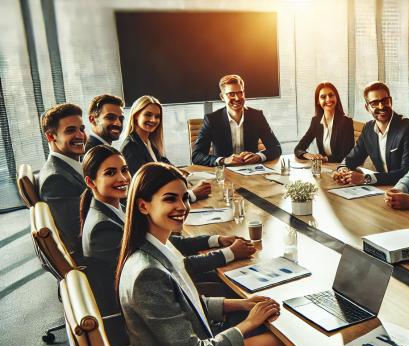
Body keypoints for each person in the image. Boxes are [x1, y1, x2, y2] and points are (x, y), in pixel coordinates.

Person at [116, 163, 334, 346]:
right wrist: (248, 324)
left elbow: (188, 307)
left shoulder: (159, 247)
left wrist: (240, 303)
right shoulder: (147, 273)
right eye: (170, 199)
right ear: (143, 206)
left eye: (184, 197)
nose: (182, 206)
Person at [80, 145, 254, 301]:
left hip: (158, 286)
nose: (123, 178)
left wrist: (216, 240)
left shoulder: (118, 206)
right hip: (149, 298)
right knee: (235, 286)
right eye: (110, 173)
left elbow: (167, 244)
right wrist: (229, 253)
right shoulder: (102, 228)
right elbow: (175, 266)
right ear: (90, 182)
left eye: (124, 170)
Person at [121, 95, 211, 202]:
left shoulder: (148, 142)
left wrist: (178, 172)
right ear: (136, 115)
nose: (153, 120)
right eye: (148, 115)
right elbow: (145, 190)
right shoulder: (131, 147)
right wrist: (191, 194)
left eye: (157, 116)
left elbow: (162, 162)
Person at [332, 81, 409, 186]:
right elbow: (352, 158)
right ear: (367, 108)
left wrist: (366, 178)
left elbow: (407, 172)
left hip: (408, 190)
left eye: (385, 101)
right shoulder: (368, 129)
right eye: (374, 103)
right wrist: (343, 170)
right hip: (382, 188)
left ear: (390, 101)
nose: (381, 106)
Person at [191, 74, 282, 166]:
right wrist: (224, 160)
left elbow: (276, 148)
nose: (237, 98)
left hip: (252, 171)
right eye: (231, 94)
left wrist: (259, 156)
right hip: (225, 173)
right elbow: (197, 156)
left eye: (240, 93)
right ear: (222, 97)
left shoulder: (257, 116)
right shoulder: (212, 120)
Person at [38, 103, 87, 257]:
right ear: (51, 136)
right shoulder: (56, 179)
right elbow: (78, 235)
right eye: (71, 130)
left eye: (82, 129)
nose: (80, 135)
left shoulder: (68, 168)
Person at [294, 81, 355, 163]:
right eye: (323, 97)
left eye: (331, 95)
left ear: (336, 97)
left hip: (341, 168)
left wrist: (325, 159)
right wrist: (307, 155)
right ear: (318, 101)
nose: (328, 99)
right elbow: (298, 148)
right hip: (324, 168)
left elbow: (347, 154)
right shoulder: (316, 121)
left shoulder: (346, 122)